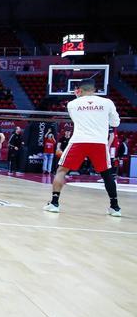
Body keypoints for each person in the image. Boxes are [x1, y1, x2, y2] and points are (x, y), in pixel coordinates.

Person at [45, 79, 121, 216]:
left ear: (79, 90)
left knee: (61, 170)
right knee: (106, 174)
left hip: (79, 140)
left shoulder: (72, 104)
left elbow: (76, 119)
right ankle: (115, 207)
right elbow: (115, 123)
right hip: (99, 142)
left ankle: (54, 204)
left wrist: (78, 99)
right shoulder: (107, 102)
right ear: (95, 90)